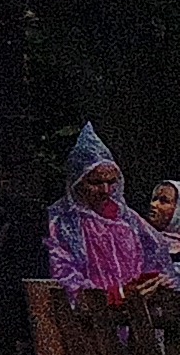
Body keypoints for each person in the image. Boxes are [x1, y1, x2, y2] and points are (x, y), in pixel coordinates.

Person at [47, 126, 170, 306]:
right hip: (91, 320)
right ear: (78, 181)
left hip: (136, 313)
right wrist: (110, 296)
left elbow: (158, 256)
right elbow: (63, 275)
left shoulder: (128, 219)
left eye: (111, 182)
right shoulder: (64, 221)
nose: (105, 190)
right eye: (96, 182)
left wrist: (155, 281)